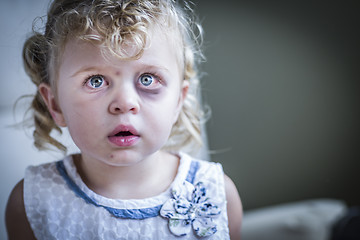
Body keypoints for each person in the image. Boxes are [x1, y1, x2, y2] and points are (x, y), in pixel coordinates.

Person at [5, 0, 243, 239]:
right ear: (55, 104)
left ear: (178, 102)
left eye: (148, 79)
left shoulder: (218, 196)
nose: (125, 102)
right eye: (96, 80)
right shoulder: (32, 203)